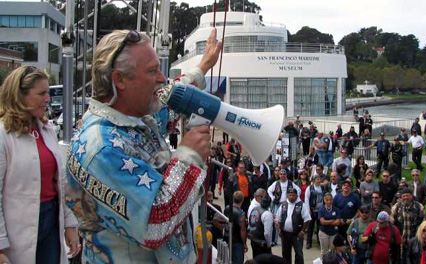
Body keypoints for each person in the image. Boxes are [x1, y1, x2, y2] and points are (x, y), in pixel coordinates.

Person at [64, 29, 222, 263]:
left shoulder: (135, 118)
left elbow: (168, 100)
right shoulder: (101, 150)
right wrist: (189, 157)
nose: (161, 78)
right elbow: (154, 224)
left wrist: (203, 67)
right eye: (152, 71)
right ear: (120, 80)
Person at [0, 66, 80, 263]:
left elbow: (62, 182)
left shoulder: (47, 129)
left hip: (51, 221)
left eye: (48, 93)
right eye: (41, 93)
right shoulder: (3, 135)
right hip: (16, 231)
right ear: (21, 96)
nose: (48, 99)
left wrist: (70, 224)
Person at [277, 188, 311, 264]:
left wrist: (302, 231)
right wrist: (279, 229)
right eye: (290, 195)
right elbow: (278, 218)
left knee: (299, 253)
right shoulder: (283, 205)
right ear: (287, 196)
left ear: (296, 196)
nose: (291, 197)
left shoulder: (301, 205)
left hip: (297, 234)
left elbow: (307, 219)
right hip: (285, 234)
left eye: (293, 195)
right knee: (285, 253)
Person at [392, 188, 426, 262]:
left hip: (415, 240)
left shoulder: (419, 207)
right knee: (401, 260)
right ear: (401, 197)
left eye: (407, 196)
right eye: (403, 196)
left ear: (411, 196)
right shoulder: (397, 207)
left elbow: (425, 223)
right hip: (400, 241)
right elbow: (391, 221)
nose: (405, 198)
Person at [304, 175, 327, 249]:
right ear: (313, 180)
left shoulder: (322, 188)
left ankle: (319, 241)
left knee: (319, 227)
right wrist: (308, 210)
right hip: (312, 210)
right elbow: (306, 199)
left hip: (320, 210)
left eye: (319, 179)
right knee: (310, 226)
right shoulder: (310, 188)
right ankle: (308, 242)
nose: (319, 181)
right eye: (317, 179)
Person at [225, 191, 248, 264]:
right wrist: (244, 244)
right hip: (237, 242)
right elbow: (243, 230)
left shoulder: (227, 208)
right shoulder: (241, 214)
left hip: (227, 238)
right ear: (242, 200)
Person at [318, 193, 341, 257]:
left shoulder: (336, 209)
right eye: (327, 200)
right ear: (324, 200)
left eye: (330, 200)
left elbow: (338, 222)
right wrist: (332, 221)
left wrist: (327, 222)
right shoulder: (321, 209)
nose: (329, 201)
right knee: (324, 251)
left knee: (333, 251)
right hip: (324, 232)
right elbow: (322, 221)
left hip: (334, 233)